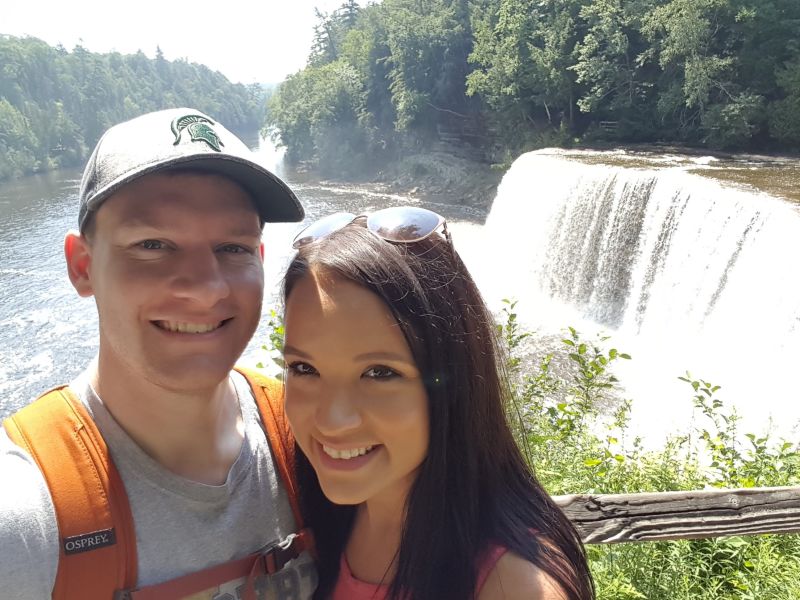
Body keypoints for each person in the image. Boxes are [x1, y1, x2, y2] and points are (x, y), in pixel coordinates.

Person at [0, 108, 317, 599]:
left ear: (259, 258)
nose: (206, 288)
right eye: (153, 244)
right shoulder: (23, 524)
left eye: (232, 247)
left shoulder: (314, 443)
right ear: (82, 266)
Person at [280, 207, 595, 599]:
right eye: (305, 368)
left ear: (453, 380)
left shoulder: (512, 585)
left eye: (380, 373)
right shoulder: (319, 513)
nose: (332, 420)